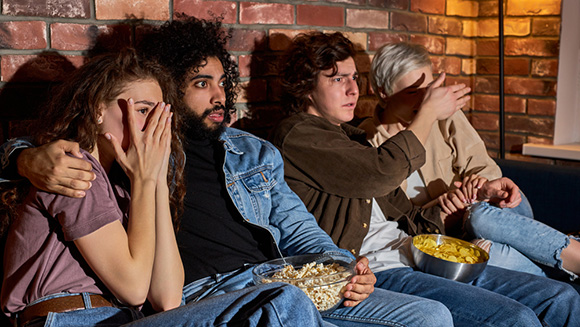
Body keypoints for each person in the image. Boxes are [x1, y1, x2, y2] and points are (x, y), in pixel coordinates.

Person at [0, 17, 456, 327]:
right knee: (289, 304)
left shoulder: (244, 152)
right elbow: (144, 289)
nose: (220, 96)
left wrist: (341, 266)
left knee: (432, 316)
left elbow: (297, 232)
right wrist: (21, 157)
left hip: (277, 278)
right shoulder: (96, 165)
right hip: (175, 298)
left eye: (224, 83)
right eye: (201, 84)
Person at [270, 31, 580, 327]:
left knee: (561, 297)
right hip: (381, 269)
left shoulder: (352, 140)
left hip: (419, 249)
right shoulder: (298, 135)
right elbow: (380, 173)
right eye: (338, 79)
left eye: (354, 78)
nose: (353, 89)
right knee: (516, 319)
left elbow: (409, 216)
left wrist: (452, 206)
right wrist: (429, 112)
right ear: (305, 85)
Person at [359, 41, 580, 279]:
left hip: (497, 212)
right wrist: (440, 205)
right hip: (456, 238)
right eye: (413, 92)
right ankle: (565, 263)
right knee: (487, 254)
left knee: (480, 217)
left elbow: (486, 169)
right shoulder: (367, 143)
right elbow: (393, 221)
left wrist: (482, 185)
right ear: (382, 92)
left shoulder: (446, 115)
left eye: (430, 89)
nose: (426, 102)